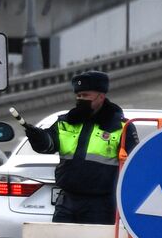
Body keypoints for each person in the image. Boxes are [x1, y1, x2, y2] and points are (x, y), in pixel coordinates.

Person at [22, 70, 137, 225]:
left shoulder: (121, 127)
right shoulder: (66, 122)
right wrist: (37, 136)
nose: (80, 99)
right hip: (66, 201)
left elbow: (134, 164)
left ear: (101, 97)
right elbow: (47, 146)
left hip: (100, 205)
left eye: (85, 96)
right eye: (78, 96)